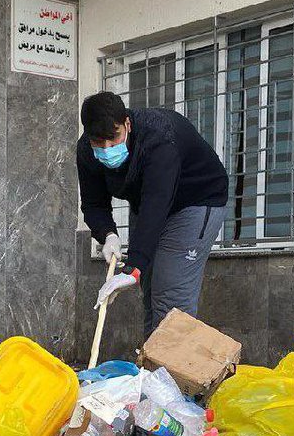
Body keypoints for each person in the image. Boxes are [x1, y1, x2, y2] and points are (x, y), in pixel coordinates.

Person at [76, 91, 228, 337]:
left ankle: (173, 374)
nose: (107, 148)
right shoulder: (86, 150)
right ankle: (152, 371)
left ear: (127, 123)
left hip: (197, 201)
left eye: (113, 138)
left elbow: (156, 202)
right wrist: (108, 234)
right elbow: (94, 203)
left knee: (171, 299)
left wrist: (133, 267)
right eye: (98, 142)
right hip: (147, 204)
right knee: (151, 295)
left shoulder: (158, 138)